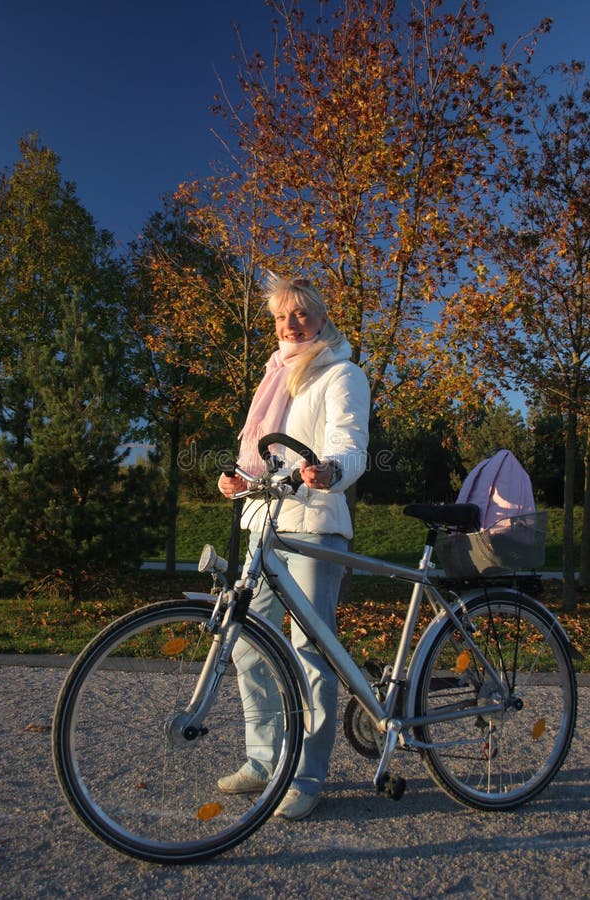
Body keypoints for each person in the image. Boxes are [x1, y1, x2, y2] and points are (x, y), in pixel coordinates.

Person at [217, 273, 370, 820]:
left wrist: (330, 470)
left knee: (309, 651)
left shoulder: (341, 374)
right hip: (264, 524)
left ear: (322, 317)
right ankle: (264, 760)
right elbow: (257, 455)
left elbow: (351, 446)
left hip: (313, 523)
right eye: (282, 317)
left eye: (300, 314)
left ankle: (306, 774)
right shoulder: (273, 376)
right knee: (246, 643)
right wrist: (234, 479)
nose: (290, 324)